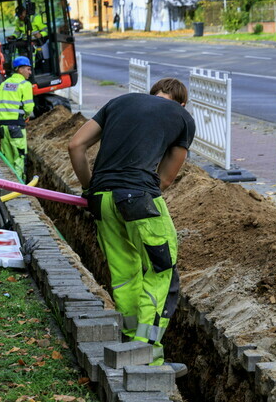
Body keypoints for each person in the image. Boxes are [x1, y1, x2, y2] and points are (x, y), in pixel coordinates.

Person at [67, 78, 195, 377]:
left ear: (152, 94)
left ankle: (129, 344)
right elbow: (164, 179)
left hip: (101, 200)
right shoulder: (182, 118)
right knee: (162, 274)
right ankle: (145, 356)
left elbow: (75, 145)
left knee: (125, 275)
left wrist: (91, 189)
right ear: (182, 103)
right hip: (138, 198)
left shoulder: (119, 103)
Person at [0, 56, 35, 181]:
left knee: (7, 158)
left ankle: (8, 184)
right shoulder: (25, 84)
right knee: (19, 157)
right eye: (28, 69)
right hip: (16, 127)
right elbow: (28, 108)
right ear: (20, 69)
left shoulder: (4, 84)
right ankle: (20, 187)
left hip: (3, 126)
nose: (30, 72)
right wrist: (26, 116)